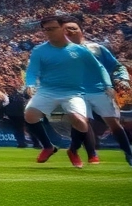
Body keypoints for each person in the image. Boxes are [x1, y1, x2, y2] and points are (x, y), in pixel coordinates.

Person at [22, 15, 111, 168]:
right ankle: (48, 147)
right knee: (30, 115)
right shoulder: (39, 50)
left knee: (81, 123)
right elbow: (32, 71)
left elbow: (99, 68)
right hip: (47, 91)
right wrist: (29, 84)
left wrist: (108, 85)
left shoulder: (79, 50)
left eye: (53, 29)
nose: (49, 32)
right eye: (46, 30)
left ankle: (73, 150)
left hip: (73, 93)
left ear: (63, 28)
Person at [63, 18, 132, 166]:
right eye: (66, 29)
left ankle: (128, 153)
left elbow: (116, 66)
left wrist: (122, 79)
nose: (70, 31)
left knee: (113, 123)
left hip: (99, 89)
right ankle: (80, 151)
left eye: (73, 27)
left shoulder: (96, 48)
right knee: (82, 122)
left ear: (81, 30)